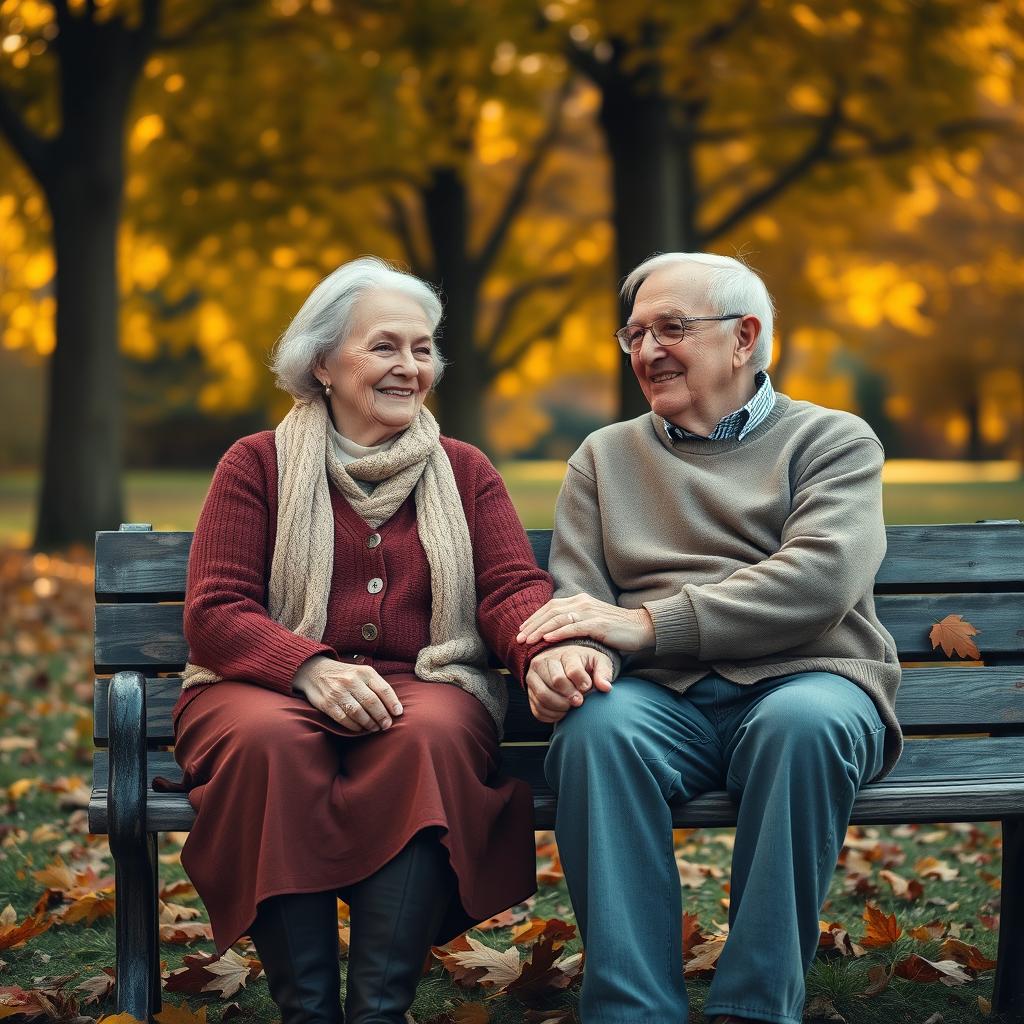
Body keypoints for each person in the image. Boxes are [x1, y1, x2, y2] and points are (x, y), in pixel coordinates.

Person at [159, 257, 557, 1024]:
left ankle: (378, 1010)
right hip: (262, 685)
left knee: (429, 738)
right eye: (385, 347)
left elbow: (511, 590)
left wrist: (544, 649)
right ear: (321, 363)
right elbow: (215, 611)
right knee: (270, 745)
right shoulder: (257, 464)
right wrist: (306, 667)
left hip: (429, 681)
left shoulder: (464, 470)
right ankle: (308, 1010)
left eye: (423, 348)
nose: (411, 367)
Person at [517, 252, 902, 1024]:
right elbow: (580, 595)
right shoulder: (603, 456)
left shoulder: (832, 441)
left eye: (672, 328)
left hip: (808, 679)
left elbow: (820, 580)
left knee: (806, 725)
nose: (647, 349)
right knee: (596, 730)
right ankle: (632, 1010)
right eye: (634, 334)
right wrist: (571, 655)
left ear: (744, 337)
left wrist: (645, 624)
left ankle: (755, 1008)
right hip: (662, 700)